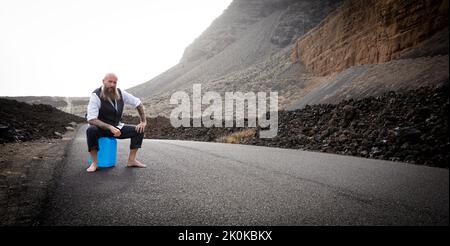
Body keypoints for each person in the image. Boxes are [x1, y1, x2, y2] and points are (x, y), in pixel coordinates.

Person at [85, 73, 147, 172]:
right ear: (103, 81)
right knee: (91, 130)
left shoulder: (120, 93)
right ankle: (95, 163)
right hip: (101, 129)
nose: (112, 85)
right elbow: (91, 119)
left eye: (115, 82)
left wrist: (143, 121)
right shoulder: (95, 95)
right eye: (110, 81)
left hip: (117, 127)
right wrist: (110, 127)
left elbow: (138, 103)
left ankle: (132, 160)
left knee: (139, 130)